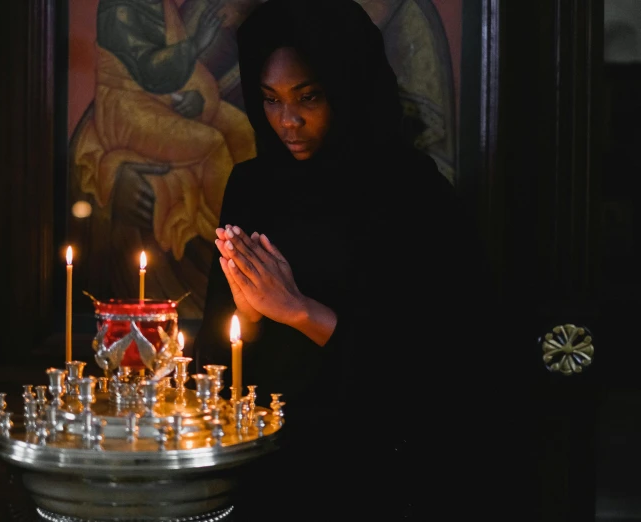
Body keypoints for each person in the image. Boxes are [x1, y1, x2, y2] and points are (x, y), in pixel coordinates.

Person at [191, 0, 537, 520]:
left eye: (308, 97)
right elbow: (222, 356)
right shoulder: (254, 188)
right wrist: (251, 313)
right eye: (270, 99)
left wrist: (300, 310)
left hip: (382, 465)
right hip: (269, 463)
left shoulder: (414, 194)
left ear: (348, 88)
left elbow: (447, 361)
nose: (288, 121)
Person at [71, 0, 257, 318]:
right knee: (213, 145)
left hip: (168, 102)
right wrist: (114, 181)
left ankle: (243, 243)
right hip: (133, 113)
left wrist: (197, 96)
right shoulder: (130, 9)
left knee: (240, 131)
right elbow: (143, 76)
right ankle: (227, 243)